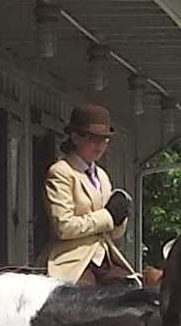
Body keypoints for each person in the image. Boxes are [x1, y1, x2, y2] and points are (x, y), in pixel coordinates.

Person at [43, 105, 131, 282]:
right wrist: (108, 216)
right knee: (86, 298)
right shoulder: (61, 172)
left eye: (105, 139)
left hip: (105, 257)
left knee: (134, 289)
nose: (100, 145)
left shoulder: (102, 176)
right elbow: (64, 227)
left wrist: (120, 218)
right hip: (72, 259)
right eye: (93, 138)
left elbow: (113, 233)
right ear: (75, 137)